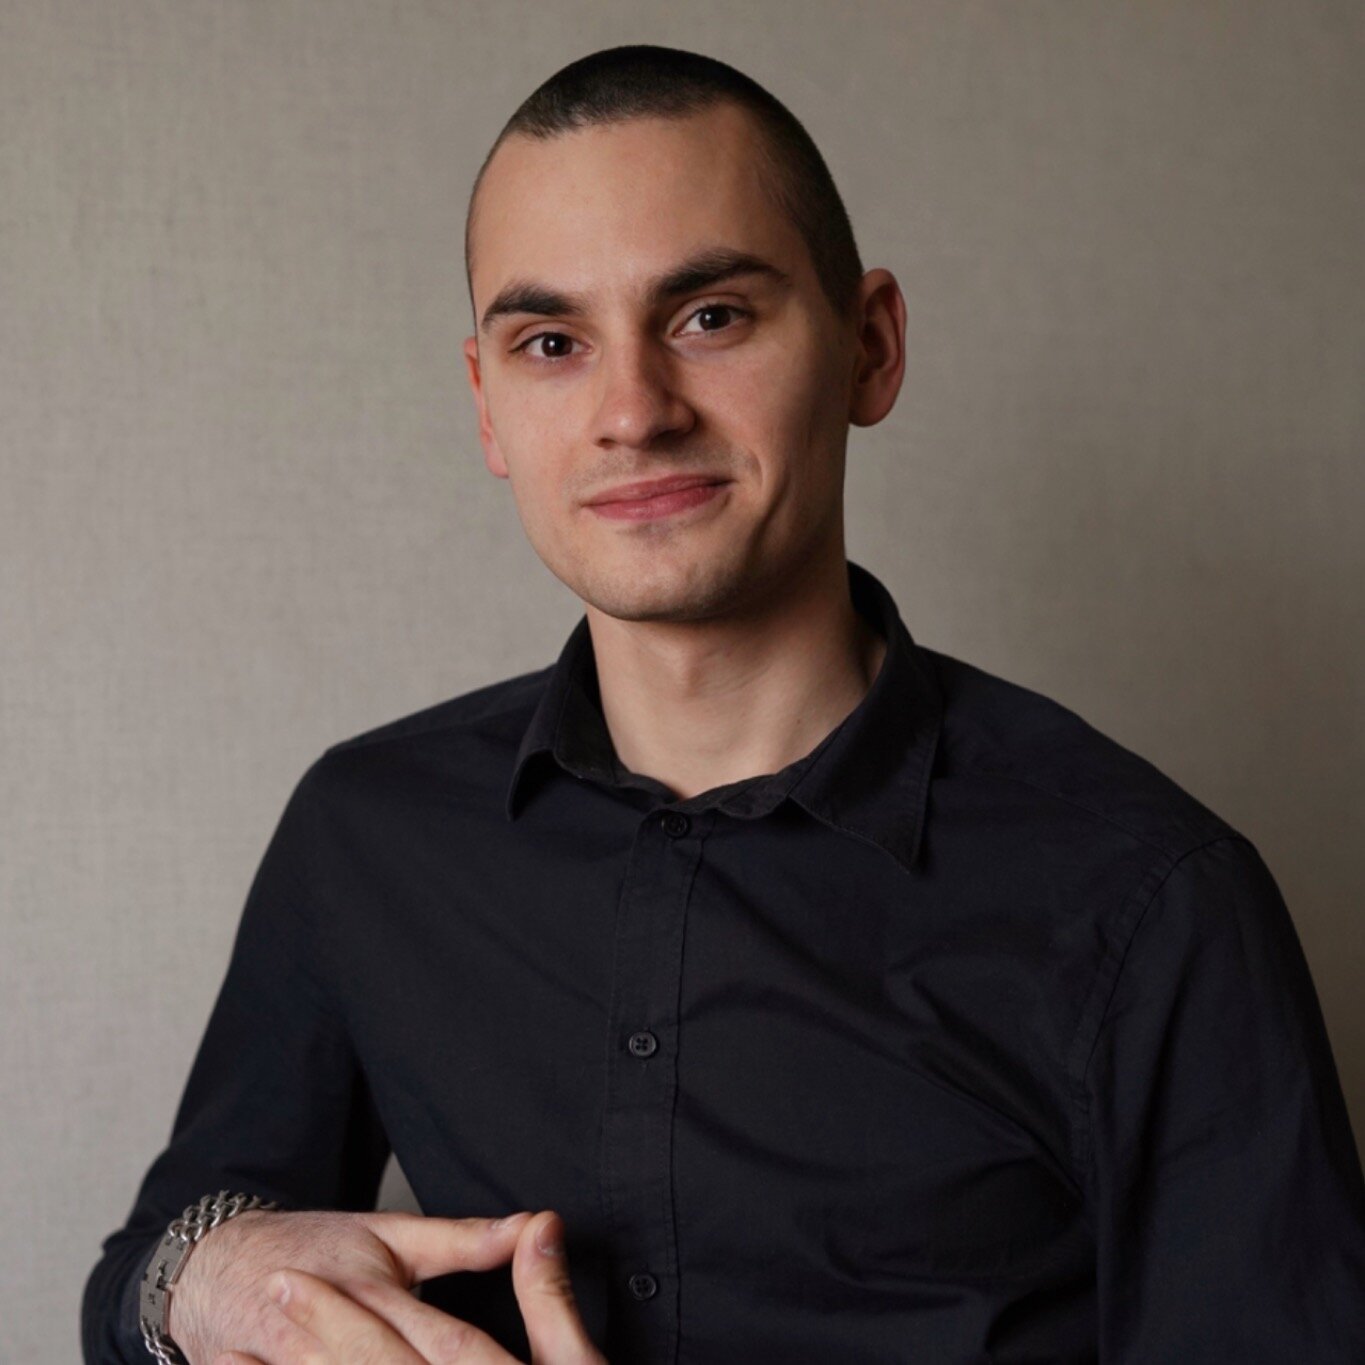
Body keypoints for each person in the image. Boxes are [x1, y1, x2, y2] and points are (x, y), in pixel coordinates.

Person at [83, 43, 1365, 1365]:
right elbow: (148, 1270)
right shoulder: (365, 834)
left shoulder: (1151, 899)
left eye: (709, 317)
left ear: (869, 347)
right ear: (488, 407)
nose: (632, 412)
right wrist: (203, 1277)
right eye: (551, 344)